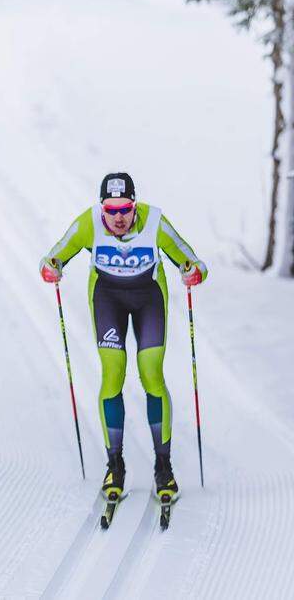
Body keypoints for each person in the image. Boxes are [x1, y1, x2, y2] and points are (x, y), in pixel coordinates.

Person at [40, 172, 207, 504]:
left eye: (125, 209)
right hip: (108, 299)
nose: (118, 218)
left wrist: (194, 271)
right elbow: (54, 255)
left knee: (151, 373)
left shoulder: (155, 221)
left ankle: (164, 467)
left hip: (149, 299)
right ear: (102, 207)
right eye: (111, 210)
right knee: (113, 372)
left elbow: (192, 258)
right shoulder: (88, 223)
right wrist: (51, 267)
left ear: (135, 205)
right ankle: (114, 465)